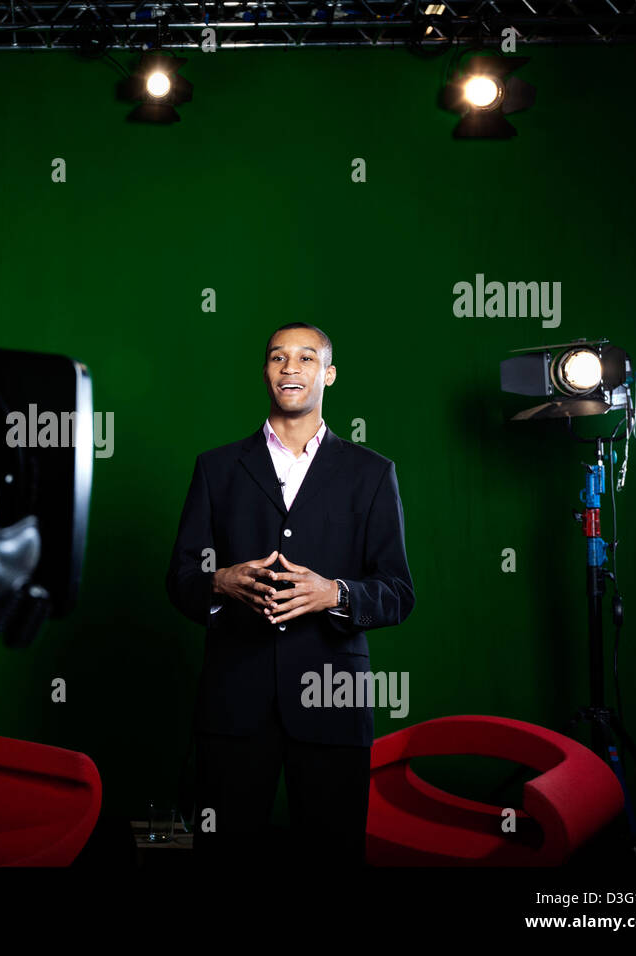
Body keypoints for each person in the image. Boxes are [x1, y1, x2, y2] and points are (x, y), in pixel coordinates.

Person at [165, 322, 415, 867]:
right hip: (233, 700)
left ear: (327, 374)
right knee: (222, 851)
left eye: (305, 358)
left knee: (333, 853)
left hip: (333, 701)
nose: (290, 367)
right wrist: (218, 581)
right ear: (266, 374)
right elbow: (180, 578)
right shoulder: (216, 468)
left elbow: (398, 592)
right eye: (278, 358)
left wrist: (335, 593)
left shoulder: (372, 473)